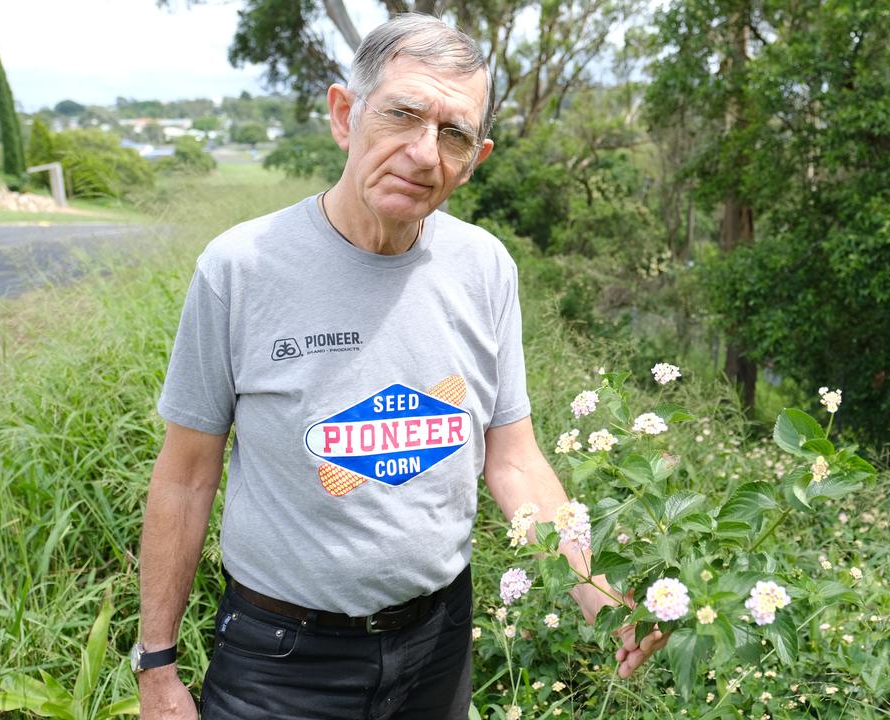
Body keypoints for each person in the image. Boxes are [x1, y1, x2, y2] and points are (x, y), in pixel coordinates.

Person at [135, 14, 667, 720]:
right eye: (403, 115)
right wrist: (157, 665)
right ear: (344, 115)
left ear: (476, 156)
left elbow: (512, 459)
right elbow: (186, 475)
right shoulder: (241, 268)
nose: (424, 154)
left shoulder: (485, 269)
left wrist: (592, 585)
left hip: (439, 642)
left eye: (454, 135)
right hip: (282, 659)